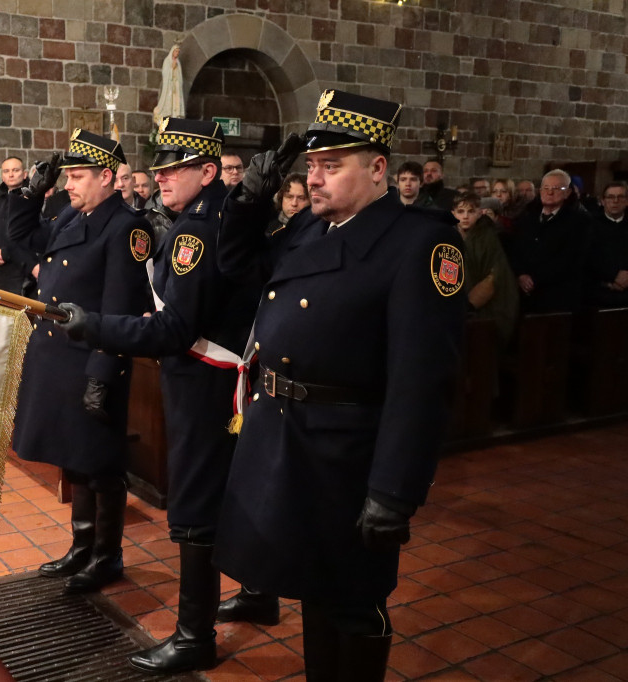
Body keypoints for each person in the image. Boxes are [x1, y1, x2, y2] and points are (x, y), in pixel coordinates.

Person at [214, 89, 466, 680]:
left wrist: (395, 490)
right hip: (288, 436)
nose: (316, 179)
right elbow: (240, 267)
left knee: (353, 600)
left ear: (378, 169)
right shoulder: (311, 226)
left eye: (332, 166)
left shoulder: (420, 243)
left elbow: (422, 380)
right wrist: (249, 203)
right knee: (311, 586)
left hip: (347, 453)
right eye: (312, 168)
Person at [57, 118, 263, 674]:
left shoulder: (196, 231)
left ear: (208, 170)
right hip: (223, 381)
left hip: (201, 381)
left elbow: (174, 330)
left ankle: (194, 635)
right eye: (161, 167)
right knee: (230, 488)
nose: (161, 177)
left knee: (196, 502)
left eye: (175, 168)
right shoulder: (215, 213)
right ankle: (258, 593)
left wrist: (95, 327)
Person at [6, 130, 153, 597]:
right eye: (67, 176)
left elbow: (119, 310)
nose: (69, 184)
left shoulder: (126, 227)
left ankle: (107, 555)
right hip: (58, 356)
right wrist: (31, 193)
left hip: (91, 359)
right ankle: (81, 545)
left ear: (107, 177)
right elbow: (21, 239)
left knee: (100, 462)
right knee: (75, 459)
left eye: (78, 176)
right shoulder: (73, 214)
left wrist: (102, 374)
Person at [509, 169, 593, 314]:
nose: (549, 192)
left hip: (558, 296)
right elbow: (515, 250)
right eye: (546, 188)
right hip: (525, 295)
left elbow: (571, 258)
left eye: (556, 188)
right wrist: (521, 274)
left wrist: (536, 278)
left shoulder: (579, 221)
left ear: (567, 192)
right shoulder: (527, 218)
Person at [452, 192, 519, 344]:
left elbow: (495, 275)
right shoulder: (448, 235)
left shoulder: (488, 237)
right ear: (453, 213)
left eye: (471, 211)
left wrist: (468, 306)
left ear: (479, 212)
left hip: (482, 310)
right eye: (461, 211)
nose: (465, 216)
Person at [0, 156, 37, 295]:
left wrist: (7, 253)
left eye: (15, 170)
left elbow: (35, 237)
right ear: (2, 176)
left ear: (24, 174)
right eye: (6, 171)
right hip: (0, 274)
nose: (10, 174)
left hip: (24, 274)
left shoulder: (34, 200)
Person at [588, 181, 628, 308]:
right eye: (611, 197)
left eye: (620, 197)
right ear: (603, 201)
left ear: (627, 201)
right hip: (599, 291)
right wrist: (612, 278)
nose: (615, 201)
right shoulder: (590, 225)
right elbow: (587, 257)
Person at [266, 172, 310, 237]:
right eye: (289, 197)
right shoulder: (267, 229)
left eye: (301, 198)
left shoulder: (319, 230)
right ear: (281, 198)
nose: (294, 203)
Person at [153, 42, 184, 125]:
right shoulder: (167, 61)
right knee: (168, 100)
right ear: (172, 52)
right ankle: (168, 114)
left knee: (176, 101)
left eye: (178, 52)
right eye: (176, 51)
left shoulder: (178, 62)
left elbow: (180, 76)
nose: (177, 53)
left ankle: (175, 115)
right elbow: (165, 73)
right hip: (169, 86)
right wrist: (171, 69)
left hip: (176, 86)